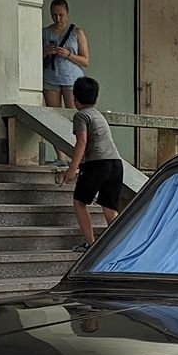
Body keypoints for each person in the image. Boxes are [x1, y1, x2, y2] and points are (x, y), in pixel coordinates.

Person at [62, 76, 123, 251]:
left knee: (79, 202)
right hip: (116, 163)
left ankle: (91, 245)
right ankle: (120, 246)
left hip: (97, 164)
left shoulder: (81, 115)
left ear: (75, 97)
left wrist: (72, 168)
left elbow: (81, 141)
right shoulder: (98, 115)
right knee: (110, 209)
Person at [43, 0, 89, 167]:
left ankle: (77, 155)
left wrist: (68, 54)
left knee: (74, 116)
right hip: (50, 78)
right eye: (54, 15)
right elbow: (32, 57)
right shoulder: (45, 32)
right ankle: (60, 157)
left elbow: (85, 60)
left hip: (72, 78)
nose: (58, 19)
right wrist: (46, 51)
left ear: (67, 14)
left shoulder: (76, 32)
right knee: (53, 116)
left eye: (61, 15)